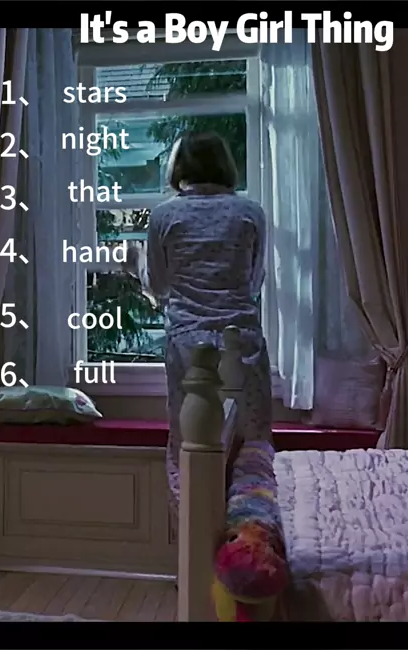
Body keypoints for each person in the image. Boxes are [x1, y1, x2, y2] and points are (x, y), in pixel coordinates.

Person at [123, 131, 272, 524]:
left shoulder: (165, 215)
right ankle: (248, 546)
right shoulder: (250, 212)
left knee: (190, 450)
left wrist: (135, 263)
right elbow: (254, 282)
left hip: (189, 348)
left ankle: (194, 548)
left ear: (179, 168)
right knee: (249, 451)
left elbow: (159, 286)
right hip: (242, 343)